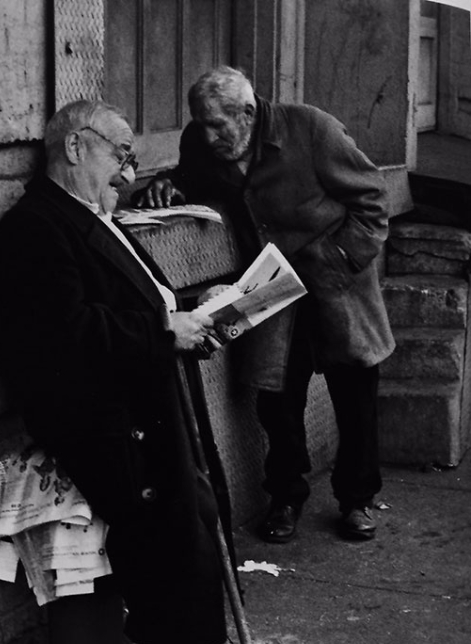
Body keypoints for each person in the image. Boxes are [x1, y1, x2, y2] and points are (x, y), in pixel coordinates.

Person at [0, 99, 283, 644]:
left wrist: (195, 315)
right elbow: (63, 334)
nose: (126, 171)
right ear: (73, 147)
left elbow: (142, 298)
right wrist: (160, 329)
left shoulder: (93, 216)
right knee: (169, 515)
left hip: (141, 393)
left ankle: (195, 641)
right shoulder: (35, 228)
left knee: (205, 504)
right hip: (98, 412)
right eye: (119, 153)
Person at [137, 66, 395, 544]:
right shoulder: (201, 143)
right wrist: (169, 183)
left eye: (218, 124)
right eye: (200, 123)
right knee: (277, 399)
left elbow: (375, 197)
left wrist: (336, 258)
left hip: (336, 283)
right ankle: (286, 497)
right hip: (272, 291)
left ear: (249, 113)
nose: (208, 135)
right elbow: (193, 178)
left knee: (354, 395)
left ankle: (357, 499)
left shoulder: (311, 129)